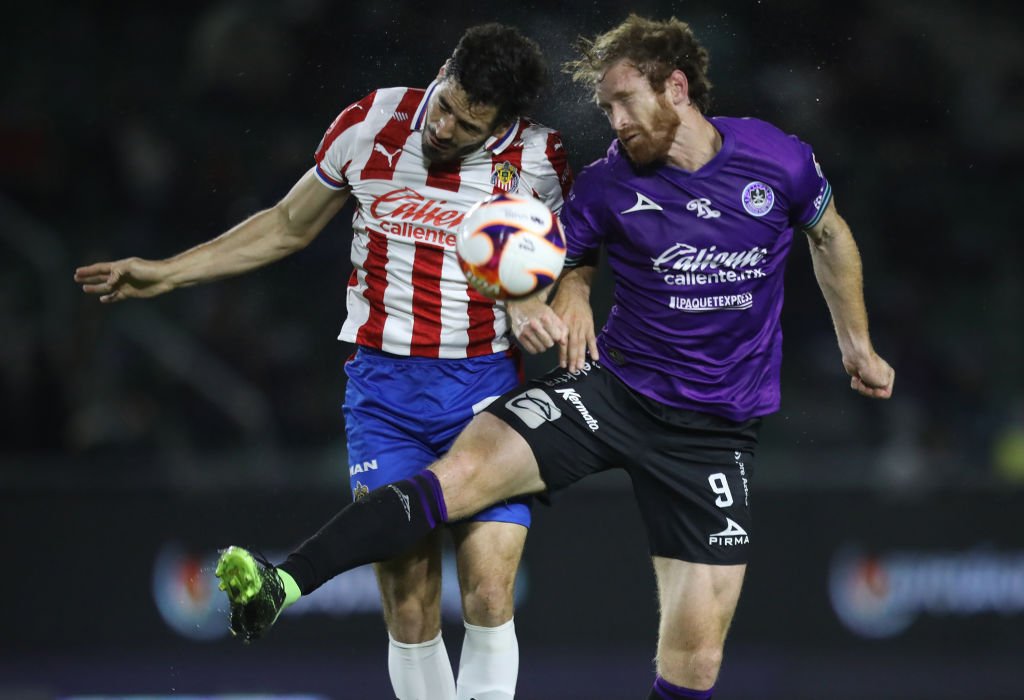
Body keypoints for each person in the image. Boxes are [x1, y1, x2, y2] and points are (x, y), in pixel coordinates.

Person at [212, 14, 895, 699]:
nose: (615, 121)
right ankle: (285, 582)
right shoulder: (606, 182)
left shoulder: (778, 161)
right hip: (611, 395)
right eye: (605, 107)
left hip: (714, 434)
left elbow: (830, 236)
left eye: (625, 101)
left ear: (677, 87)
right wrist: (570, 293)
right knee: (458, 476)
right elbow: (558, 252)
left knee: (696, 663)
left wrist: (856, 344)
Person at [74, 23, 572, 700]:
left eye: (467, 125)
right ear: (443, 69)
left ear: (504, 122)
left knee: (487, 588)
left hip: (483, 392)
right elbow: (288, 224)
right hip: (386, 395)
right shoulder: (371, 123)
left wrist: (543, 300)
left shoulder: (540, 159)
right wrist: (167, 273)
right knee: (409, 600)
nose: (444, 127)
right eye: (445, 105)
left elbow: (573, 253)